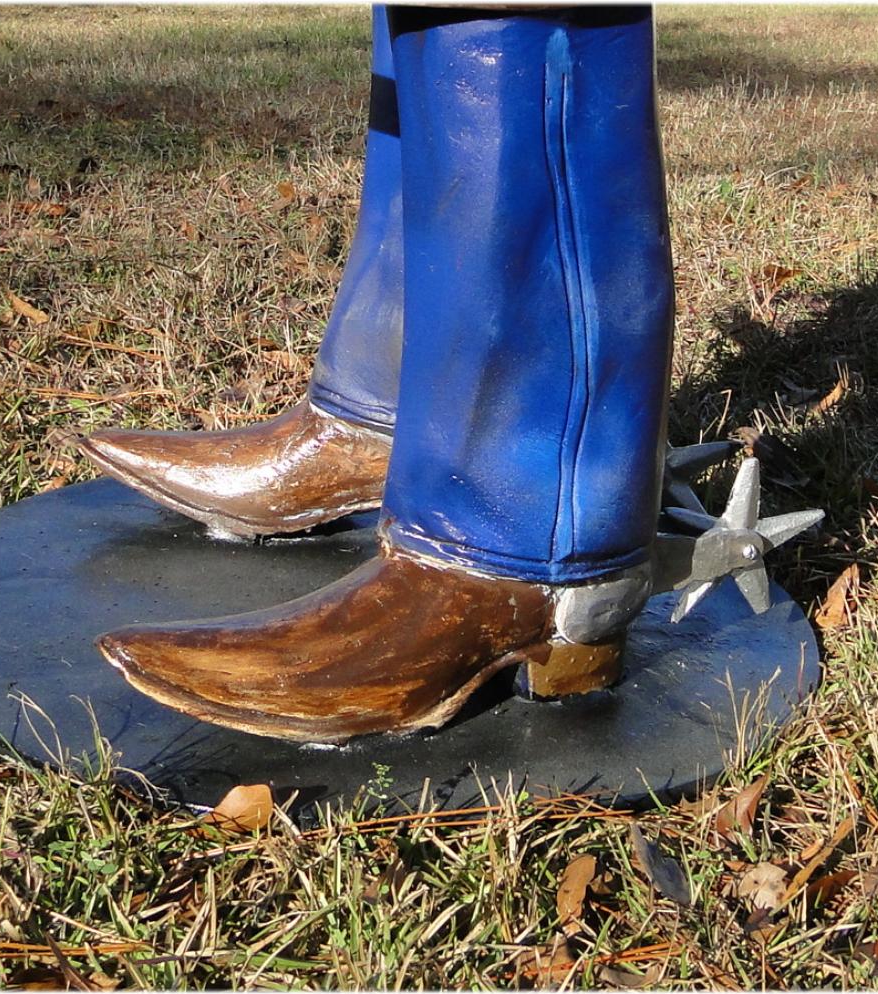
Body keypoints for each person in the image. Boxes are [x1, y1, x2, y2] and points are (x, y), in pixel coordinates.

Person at [76, 6, 676, 743]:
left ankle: (520, 539)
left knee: (516, 12)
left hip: (530, 524)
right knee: (426, 32)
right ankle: (385, 415)